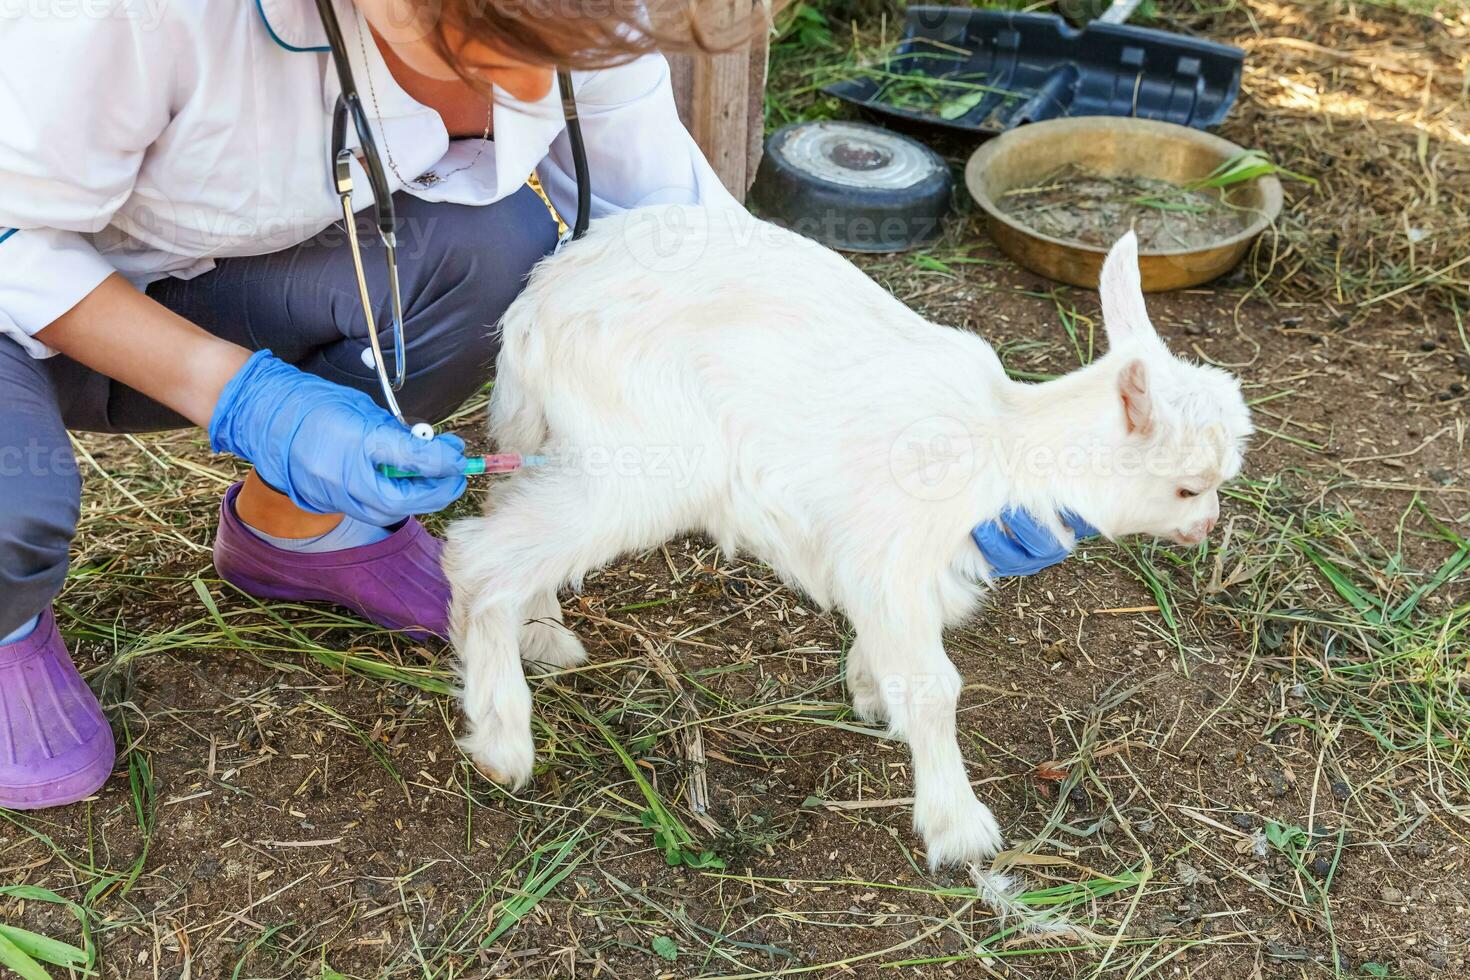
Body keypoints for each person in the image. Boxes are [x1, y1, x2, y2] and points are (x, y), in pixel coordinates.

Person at [0, 0, 1087, 811]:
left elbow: (678, 228)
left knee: (494, 253)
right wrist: (242, 394)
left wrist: (899, 420)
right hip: (21, 268)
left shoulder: (575, 14)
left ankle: (299, 532)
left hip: (188, 264)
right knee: (16, 505)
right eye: (474, 47)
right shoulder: (124, 16)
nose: (520, 86)